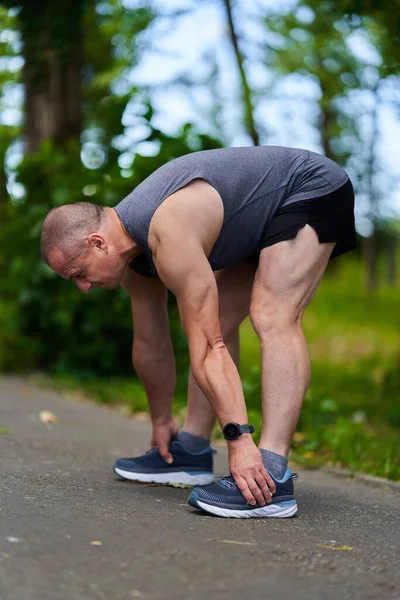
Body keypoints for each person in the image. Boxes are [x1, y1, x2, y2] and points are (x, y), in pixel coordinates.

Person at [40, 145, 356, 518]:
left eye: (79, 274)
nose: (83, 287)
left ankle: (272, 475)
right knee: (216, 316)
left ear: (97, 243)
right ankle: (188, 450)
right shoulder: (135, 260)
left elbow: (209, 347)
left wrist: (239, 440)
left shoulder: (166, 231)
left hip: (307, 187)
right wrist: (161, 422)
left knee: (271, 313)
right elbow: (151, 345)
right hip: (256, 216)